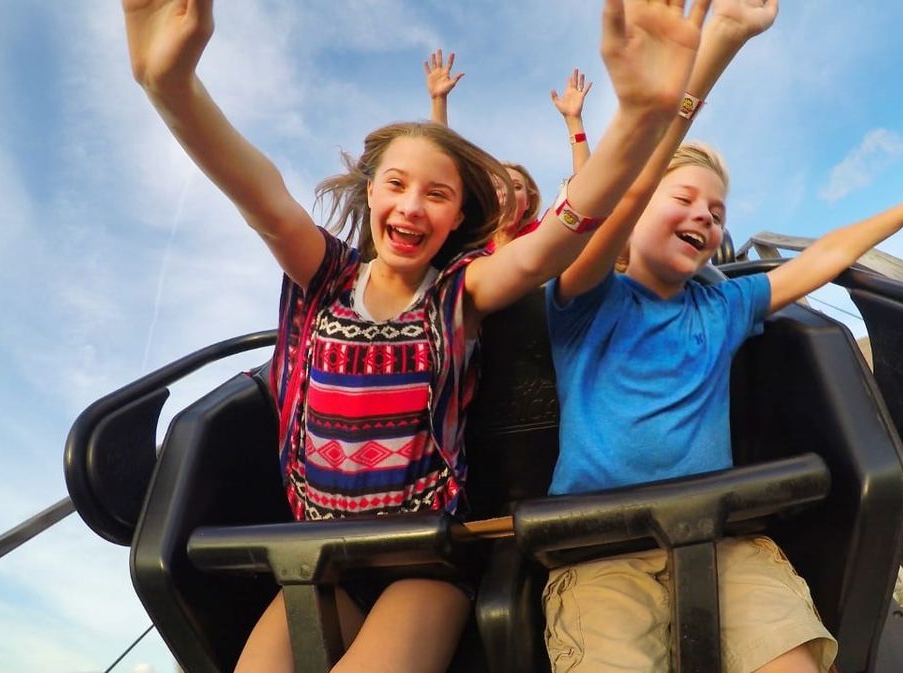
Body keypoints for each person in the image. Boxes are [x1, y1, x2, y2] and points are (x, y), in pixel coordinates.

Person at [121, 0, 713, 671]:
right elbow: (257, 190)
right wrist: (168, 86)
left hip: (423, 562)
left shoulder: (461, 291)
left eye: (437, 194)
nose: (410, 205)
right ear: (369, 194)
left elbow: (554, 240)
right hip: (321, 563)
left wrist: (639, 117)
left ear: (460, 214)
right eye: (396, 185)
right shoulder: (323, 275)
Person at [542, 2, 903, 671]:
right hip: (601, 553)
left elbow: (819, 259)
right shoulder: (586, 301)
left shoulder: (725, 305)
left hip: (721, 538)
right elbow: (624, 190)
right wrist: (722, 45)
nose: (704, 217)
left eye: (716, 213)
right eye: (682, 198)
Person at [424, 52, 594, 248]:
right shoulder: (467, 241)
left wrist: (574, 121)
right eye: (496, 187)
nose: (506, 193)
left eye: (516, 187)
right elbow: (439, 171)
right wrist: (438, 100)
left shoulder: (541, 236)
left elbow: (586, 194)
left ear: (529, 202)